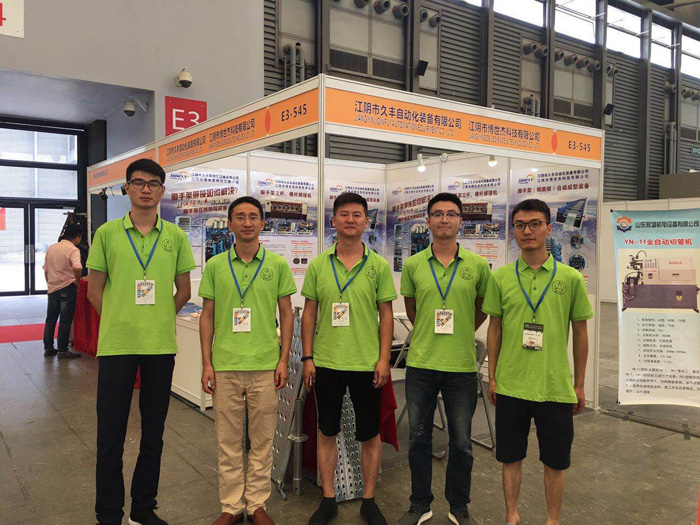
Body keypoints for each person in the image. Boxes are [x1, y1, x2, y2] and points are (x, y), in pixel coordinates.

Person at [87, 158, 196, 525]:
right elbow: (95, 290)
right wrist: (120, 318)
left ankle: (143, 508)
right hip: (117, 345)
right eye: (138, 182)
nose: (145, 189)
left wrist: (158, 317)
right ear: (127, 188)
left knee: (154, 433)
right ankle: (108, 513)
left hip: (159, 346)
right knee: (110, 434)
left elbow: (184, 291)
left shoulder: (175, 236)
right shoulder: (107, 234)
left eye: (153, 183)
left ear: (162, 190)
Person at [482, 198, 593, 525]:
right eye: (520, 225)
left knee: (556, 462)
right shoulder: (501, 278)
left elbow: (580, 333)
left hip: (554, 386)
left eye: (534, 224)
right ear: (513, 230)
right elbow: (494, 329)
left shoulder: (570, 278)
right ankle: (512, 516)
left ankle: (552, 520)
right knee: (510, 457)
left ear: (548, 228)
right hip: (511, 384)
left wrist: (579, 384)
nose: (527, 231)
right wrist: (492, 376)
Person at [199, 196, 296, 525]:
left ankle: (256, 504)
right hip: (225, 365)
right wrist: (207, 363)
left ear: (262, 223)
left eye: (253, 216)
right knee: (227, 441)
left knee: (263, 440)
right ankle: (230, 506)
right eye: (240, 217)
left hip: (265, 365)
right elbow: (207, 315)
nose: (247, 222)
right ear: (229, 224)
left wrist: (283, 359)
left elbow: (286, 313)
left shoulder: (277, 265)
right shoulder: (215, 265)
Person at [301, 192, 396, 525]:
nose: (351, 220)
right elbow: (309, 313)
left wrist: (384, 359)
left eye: (357, 215)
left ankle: (369, 500)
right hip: (326, 362)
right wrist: (308, 357)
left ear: (367, 222)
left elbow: (386, 315)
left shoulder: (378, 266)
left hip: (366, 364)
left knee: (369, 434)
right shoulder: (318, 265)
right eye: (344, 214)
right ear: (334, 221)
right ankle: (328, 498)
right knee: (327, 431)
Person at [398, 193, 490, 525]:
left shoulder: (478, 266)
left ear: (460, 221)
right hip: (421, 364)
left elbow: (481, 309)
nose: (444, 219)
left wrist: (462, 330)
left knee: (462, 443)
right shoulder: (413, 265)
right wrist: (430, 331)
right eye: (437, 214)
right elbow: (412, 310)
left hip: (461, 367)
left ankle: (458, 505)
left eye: (451, 214)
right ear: (428, 221)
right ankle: (420, 503)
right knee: (418, 439)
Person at [43, 223, 84, 359]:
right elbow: (77, 267)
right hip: (67, 286)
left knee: (51, 319)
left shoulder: (52, 248)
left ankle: (48, 348)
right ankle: (62, 350)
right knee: (65, 320)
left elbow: (46, 269)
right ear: (78, 237)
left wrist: (50, 283)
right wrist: (77, 282)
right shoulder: (73, 249)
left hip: (52, 287)